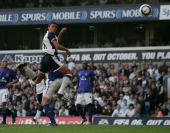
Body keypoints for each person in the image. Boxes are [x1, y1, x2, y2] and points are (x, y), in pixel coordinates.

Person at [34, 22, 73, 99]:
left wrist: (61, 32)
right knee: (69, 73)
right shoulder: (51, 34)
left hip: (44, 58)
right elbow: (57, 46)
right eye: (52, 26)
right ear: (48, 27)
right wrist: (66, 50)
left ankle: (38, 92)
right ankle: (60, 93)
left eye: (55, 27)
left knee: (38, 80)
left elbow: (57, 42)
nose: (54, 28)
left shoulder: (48, 35)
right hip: (50, 57)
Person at [0, 58, 18, 124]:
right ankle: (13, 114)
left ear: (7, 63)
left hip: (5, 89)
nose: (5, 63)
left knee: (3, 105)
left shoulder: (10, 71)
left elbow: (16, 79)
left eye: (6, 62)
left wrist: (11, 83)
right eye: (3, 62)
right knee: (1, 107)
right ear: (1, 63)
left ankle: (4, 121)